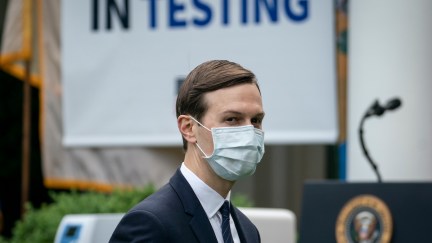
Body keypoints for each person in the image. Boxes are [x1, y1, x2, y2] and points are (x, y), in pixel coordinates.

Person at [109, 60, 265, 243]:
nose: (248, 132)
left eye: (256, 120)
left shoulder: (248, 231)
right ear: (189, 128)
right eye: (232, 119)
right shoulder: (151, 222)